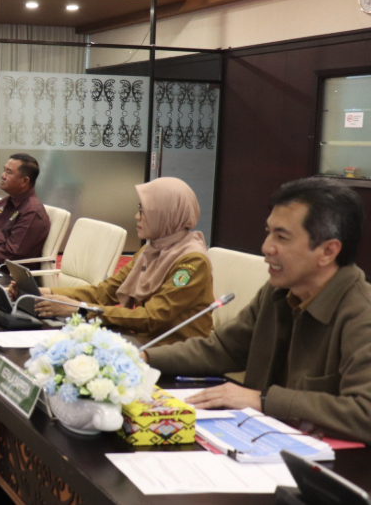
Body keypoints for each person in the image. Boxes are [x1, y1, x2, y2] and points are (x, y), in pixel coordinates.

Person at [144, 178, 371, 442]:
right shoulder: (279, 292)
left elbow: (364, 411)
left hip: (325, 461)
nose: (266, 247)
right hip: (255, 439)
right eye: (268, 232)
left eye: (281, 237)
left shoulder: (361, 313)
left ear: (328, 251)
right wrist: (144, 358)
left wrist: (263, 400)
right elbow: (223, 349)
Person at [27, 177, 214, 346]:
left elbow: (151, 317)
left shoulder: (192, 261)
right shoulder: (151, 250)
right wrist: (45, 292)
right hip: (145, 340)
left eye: (144, 211)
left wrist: (80, 310)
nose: (137, 217)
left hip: (175, 348)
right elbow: (105, 292)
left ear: (167, 215)